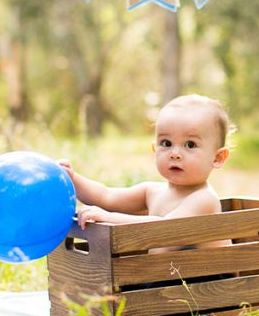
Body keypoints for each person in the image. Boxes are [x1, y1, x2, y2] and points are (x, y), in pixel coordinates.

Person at [59, 94, 233, 231]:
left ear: (217, 158)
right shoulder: (152, 191)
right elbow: (106, 196)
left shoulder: (203, 199)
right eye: (166, 143)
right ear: (154, 150)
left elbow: (162, 227)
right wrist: (73, 179)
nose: (175, 154)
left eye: (190, 145)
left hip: (209, 275)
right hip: (169, 273)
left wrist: (109, 218)